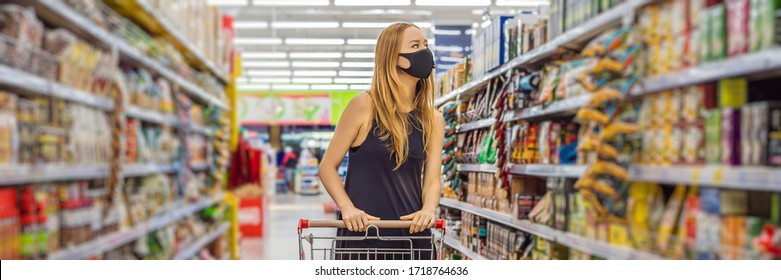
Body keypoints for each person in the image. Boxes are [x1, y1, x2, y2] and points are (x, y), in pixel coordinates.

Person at [318, 22, 444, 260]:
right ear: (392, 57)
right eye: (415, 45)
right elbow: (327, 167)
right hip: (363, 232)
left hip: (412, 235)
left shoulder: (433, 119)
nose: (424, 52)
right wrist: (347, 208)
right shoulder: (363, 107)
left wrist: (429, 209)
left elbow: (432, 180)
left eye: (425, 46)